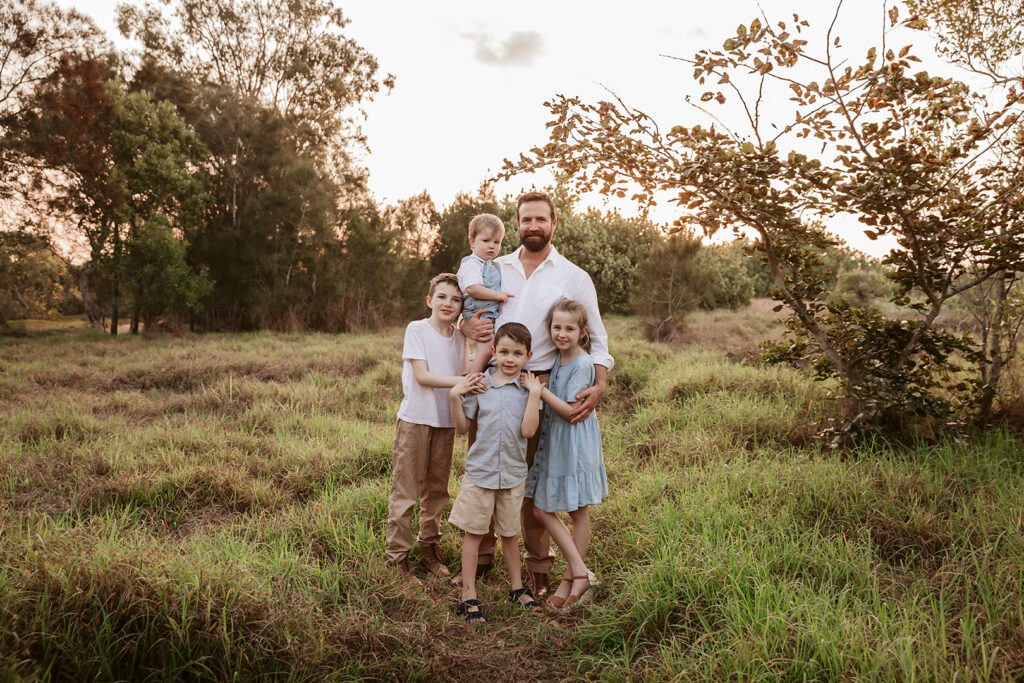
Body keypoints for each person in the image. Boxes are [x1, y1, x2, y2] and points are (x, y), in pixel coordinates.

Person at [458, 191, 614, 598]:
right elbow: (468, 310)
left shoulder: (574, 276)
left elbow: (596, 335)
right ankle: (483, 559)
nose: (533, 226)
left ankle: (538, 570)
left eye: (540, 219)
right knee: (485, 466)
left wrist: (599, 384)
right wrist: (465, 328)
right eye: (526, 219)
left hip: (540, 384)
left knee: (528, 480)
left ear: (553, 224)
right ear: (517, 223)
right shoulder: (495, 268)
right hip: (493, 381)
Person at [385, 273, 484, 581]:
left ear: (461, 308)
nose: (448, 303)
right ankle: (397, 557)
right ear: (429, 300)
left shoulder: (459, 338)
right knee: (406, 490)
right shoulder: (417, 329)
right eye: (442, 297)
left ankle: (428, 547)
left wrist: (483, 344)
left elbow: (469, 367)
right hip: (416, 421)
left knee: (437, 491)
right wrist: (464, 382)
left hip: (445, 424)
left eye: (456, 300)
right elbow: (423, 376)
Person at [448, 322, 544, 624]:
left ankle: (517, 588)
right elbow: (463, 429)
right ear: (493, 352)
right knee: (475, 534)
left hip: (513, 474)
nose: (510, 359)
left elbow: (529, 431)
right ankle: (468, 593)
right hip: (481, 472)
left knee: (509, 534)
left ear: (528, 356)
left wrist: (534, 395)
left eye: (517, 353)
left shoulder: (528, 391)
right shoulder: (482, 385)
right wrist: (455, 397)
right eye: (504, 352)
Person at [523, 298, 607, 609]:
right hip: (558, 440)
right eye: (556, 327)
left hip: (574, 441)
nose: (561, 333)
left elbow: (572, 411)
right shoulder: (560, 358)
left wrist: (539, 390)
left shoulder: (583, 363)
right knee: (545, 509)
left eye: (569, 328)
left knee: (572, 509)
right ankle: (577, 576)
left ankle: (576, 577)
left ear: (582, 332)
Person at [456, 213, 514, 374]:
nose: (492, 246)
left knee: (487, 347)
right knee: (487, 349)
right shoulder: (471, 264)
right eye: (486, 241)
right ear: (472, 241)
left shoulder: (493, 265)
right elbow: (472, 288)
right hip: (478, 311)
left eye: (497, 242)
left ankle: (469, 369)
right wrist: (498, 295)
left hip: (489, 313)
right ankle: (470, 379)